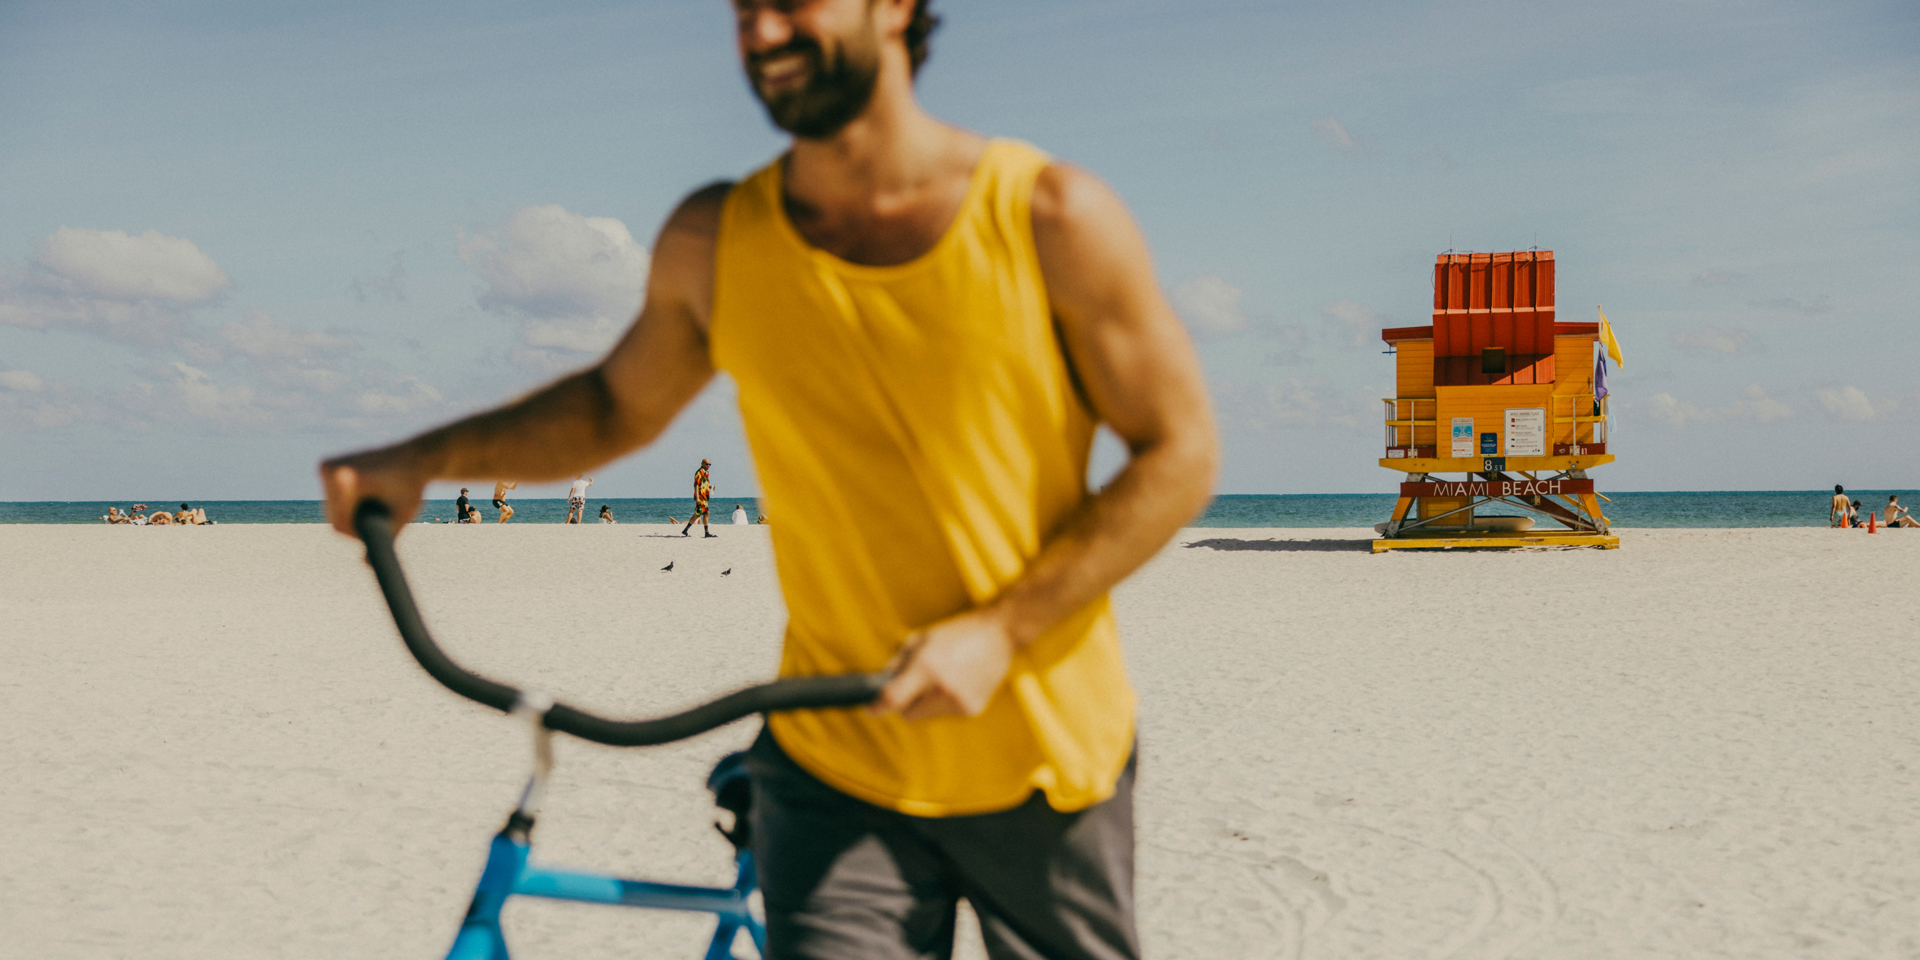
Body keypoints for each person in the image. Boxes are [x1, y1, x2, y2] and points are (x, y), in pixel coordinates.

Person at [318, 3, 1215, 956]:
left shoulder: (1051, 217)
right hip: (832, 763)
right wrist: (423, 459)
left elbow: (1180, 450)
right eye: (746, 9)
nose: (761, 31)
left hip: (1041, 763)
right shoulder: (718, 239)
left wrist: (1002, 628)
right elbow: (614, 406)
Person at [681, 459, 714, 538]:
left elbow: (705, 483)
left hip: (705, 496)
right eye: (706, 464)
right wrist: (697, 498)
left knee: (697, 514)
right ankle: (706, 533)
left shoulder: (706, 473)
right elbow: (696, 484)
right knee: (706, 513)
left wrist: (710, 487)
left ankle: (685, 530)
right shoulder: (699, 472)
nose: (708, 466)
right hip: (701, 496)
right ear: (702, 463)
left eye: (709, 464)